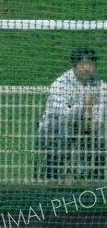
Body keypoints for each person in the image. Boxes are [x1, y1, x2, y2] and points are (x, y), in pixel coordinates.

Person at [38, 48, 106, 180]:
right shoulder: (59, 84)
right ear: (74, 66)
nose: (86, 68)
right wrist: (84, 105)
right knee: (64, 132)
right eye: (82, 64)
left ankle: (95, 182)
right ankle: (50, 177)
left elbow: (97, 121)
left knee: (102, 142)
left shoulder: (101, 86)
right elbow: (64, 117)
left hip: (85, 130)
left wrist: (92, 119)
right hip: (56, 130)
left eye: (90, 64)